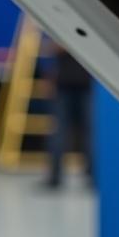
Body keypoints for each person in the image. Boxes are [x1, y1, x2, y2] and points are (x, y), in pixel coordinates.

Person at [44, 42, 93, 188]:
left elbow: (55, 48)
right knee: (64, 132)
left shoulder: (65, 28)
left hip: (79, 85)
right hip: (71, 84)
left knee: (87, 133)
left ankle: (92, 175)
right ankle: (55, 176)